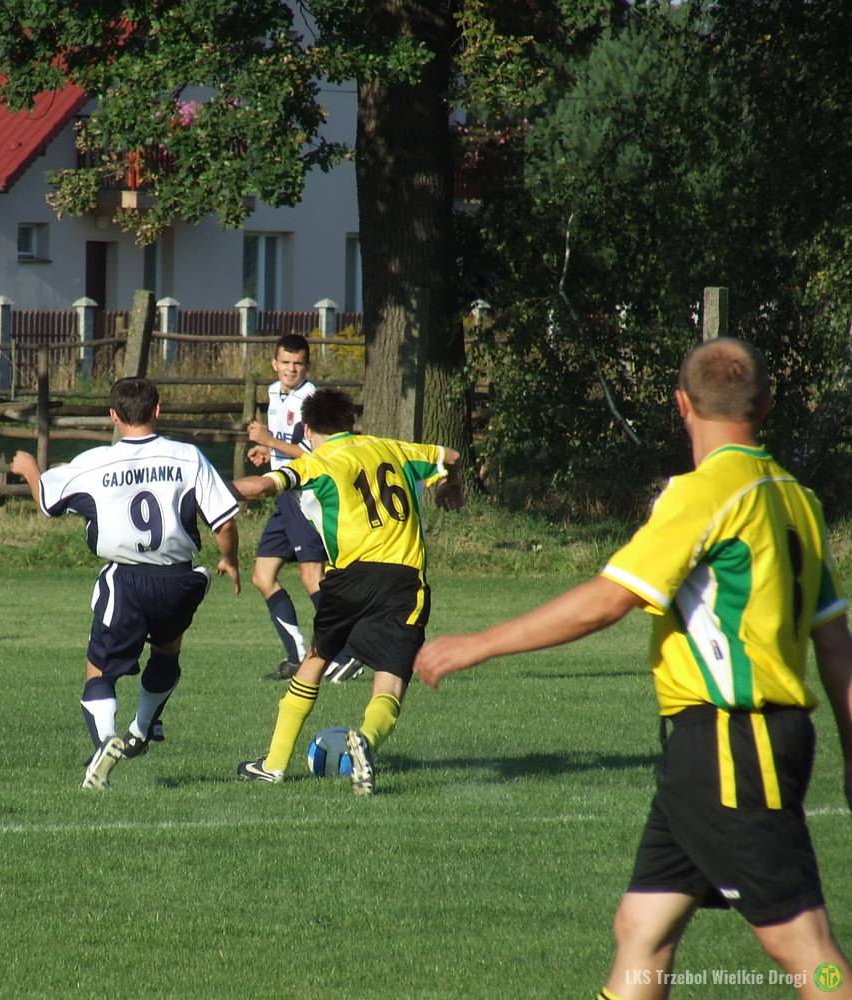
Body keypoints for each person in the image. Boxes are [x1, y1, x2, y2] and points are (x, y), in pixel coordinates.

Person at [417, 337, 852, 1000]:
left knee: (807, 950)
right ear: (764, 404)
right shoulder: (798, 499)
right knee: (643, 928)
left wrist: (478, 643)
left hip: (733, 743)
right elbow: (835, 645)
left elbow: (607, 600)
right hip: (722, 745)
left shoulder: (703, 493)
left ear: (681, 404)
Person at [10, 376, 241, 791]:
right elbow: (224, 521)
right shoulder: (187, 457)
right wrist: (229, 559)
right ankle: (142, 728)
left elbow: (47, 501)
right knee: (168, 650)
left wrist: (28, 468)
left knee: (99, 670)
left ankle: (105, 742)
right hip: (179, 579)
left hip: (127, 578)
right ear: (158, 410)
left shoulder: (96, 462)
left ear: (113, 416)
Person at [233, 387, 461, 795]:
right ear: (350, 423)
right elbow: (451, 456)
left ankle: (274, 764)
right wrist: (448, 485)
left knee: (314, 660)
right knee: (390, 681)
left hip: (348, 579)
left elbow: (263, 487)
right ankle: (365, 743)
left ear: (307, 429)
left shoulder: (317, 462)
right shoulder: (392, 448)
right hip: (405, 581)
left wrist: (206, 492)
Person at [246, 333, 359, 682]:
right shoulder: (274, 393)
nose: (291, 369)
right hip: (285, 495)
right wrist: (269, 452)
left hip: (306, 497)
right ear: (274, 364)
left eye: (298, 364)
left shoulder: (312, 400)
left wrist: (269, 440)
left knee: (312, 577)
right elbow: (288, 445)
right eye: (286, 362)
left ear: (307, 367)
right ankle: (297, 655)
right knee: (262, 576)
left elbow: (316, 454)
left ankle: (347, 653)